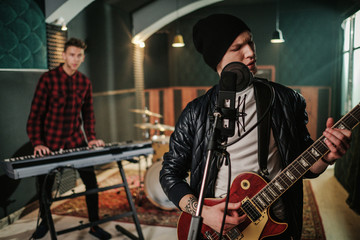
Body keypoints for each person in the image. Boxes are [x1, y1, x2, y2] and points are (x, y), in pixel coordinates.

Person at [160, 14, 352, 240]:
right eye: (237, 47)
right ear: (218, 58)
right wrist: (203, 212)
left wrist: (326, 157)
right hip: (215, 228)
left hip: (276, 224)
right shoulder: (195, 113)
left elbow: (306, 166)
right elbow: (170, 174)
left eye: (250, 41)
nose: (250, 52)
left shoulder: (287, 100)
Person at [27, 38, 111, 240]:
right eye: (72, 54)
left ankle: (94, 225)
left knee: (91, 184)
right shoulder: (47, 79)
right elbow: (35, 115)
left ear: (83, 57)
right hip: (49, 143)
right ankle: (45, 224)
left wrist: (90, 138)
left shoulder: (84, 82)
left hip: (76, 141)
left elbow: (88, 114)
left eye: (79, 55)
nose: (75, 59)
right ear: (64, 55)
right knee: (45, 189)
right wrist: (38, 142)